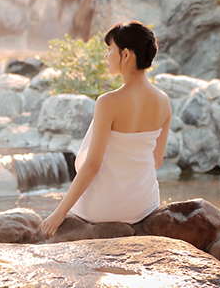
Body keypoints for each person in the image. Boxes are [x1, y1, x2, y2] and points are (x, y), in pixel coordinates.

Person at [41, 21, 172, 238]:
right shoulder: (164, 101)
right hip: (145, 206)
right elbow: (156, 161)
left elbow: (92, 164)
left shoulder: (108, 102)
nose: (106, 56)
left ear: (126, 55)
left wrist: (59, 212)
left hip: (103, 209)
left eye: (110, 50)